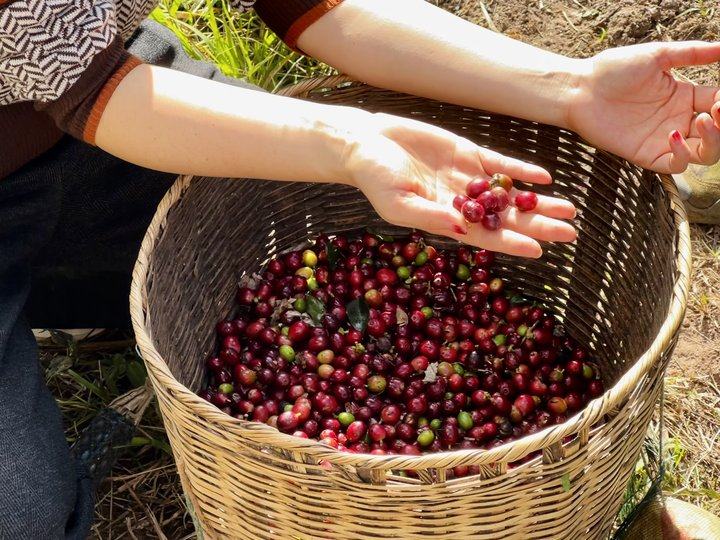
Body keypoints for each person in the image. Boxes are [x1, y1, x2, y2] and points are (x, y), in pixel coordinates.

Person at [2, 0, 720, 538]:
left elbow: (318, 6)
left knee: (267, 207)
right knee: (23, 516)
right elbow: (89, 91)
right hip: (91, 107)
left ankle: (76, 292)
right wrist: (349, 144)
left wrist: (571, 87)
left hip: (105, 101)